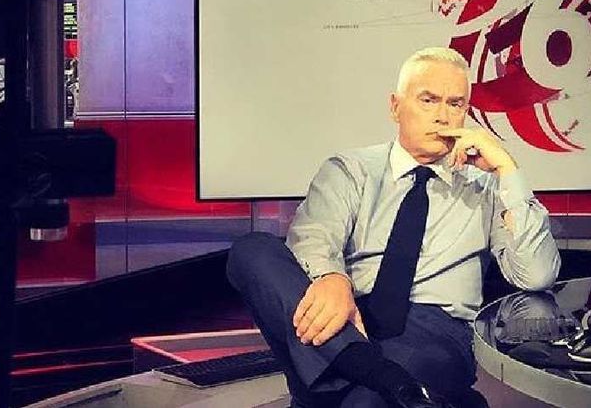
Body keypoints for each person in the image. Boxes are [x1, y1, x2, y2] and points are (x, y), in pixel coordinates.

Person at [226, 47, 561, 407]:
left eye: (455, 104)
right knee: (252, 251)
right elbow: (314, 238)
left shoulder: (487, 184)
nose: (442, 116)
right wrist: (332, 278)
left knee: (360, 397)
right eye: (428, 100)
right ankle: (389, 381)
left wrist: (508, 169)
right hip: (346, 316)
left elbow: (536, 275)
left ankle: (358, 379)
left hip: (436, 331)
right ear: (395, 106)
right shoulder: (351, 169)